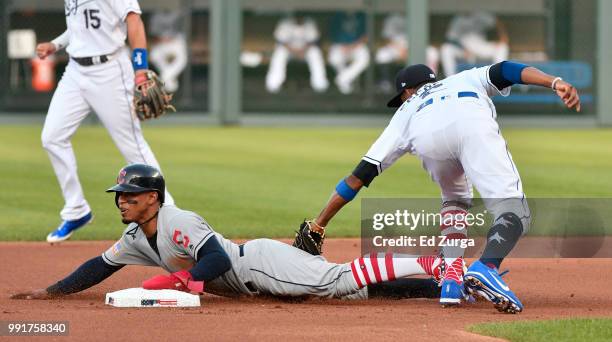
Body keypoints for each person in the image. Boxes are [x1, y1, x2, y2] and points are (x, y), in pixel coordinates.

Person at [293, 62, 580, 313]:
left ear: (407, 92)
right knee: (514, 211)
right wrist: (554, 82)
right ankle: (486, 267)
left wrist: (319, 224)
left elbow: (358, 177)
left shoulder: (404, 112)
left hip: (426, 137)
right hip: (470, 122)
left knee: (455, 198)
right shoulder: (464, 78)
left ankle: (452, 280)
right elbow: (508, 70)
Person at [11, 164, 445, 302]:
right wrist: (52, 294)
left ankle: (436, 263)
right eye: (120, 194)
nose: (122, 200)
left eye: (131, 193)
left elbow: (216, 257)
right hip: (254, 279)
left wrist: (183, 283)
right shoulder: (136, 238)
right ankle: (441, 287)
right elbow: (97, 267)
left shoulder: (176, 220)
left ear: (153, 198)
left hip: (257, 264)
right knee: (358, 293)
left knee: (340, 280)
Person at [36, 0, 174, 243]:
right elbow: (79, 27)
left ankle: (170, 215)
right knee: (52, 137)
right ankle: (76, 210)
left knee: (133, 146)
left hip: (110, 70)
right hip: (76, 72)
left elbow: (134, 20)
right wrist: (56, 44)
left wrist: (140, 69)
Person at [374, 13, 439, 93]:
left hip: (414, 46)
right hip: (395, 47)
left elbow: (420, 37)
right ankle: (385, 82)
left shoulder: (416, 14)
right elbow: (387, 39)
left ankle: (432, 81)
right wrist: (400, 50)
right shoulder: (392, 18)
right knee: (381, 55)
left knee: (433, 52)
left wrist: (411, 50)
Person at [265, 15, 329, 93]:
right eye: (297, 16)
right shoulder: (285, 22)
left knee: (315, 52)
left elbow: (313, 41)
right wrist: (293, 51)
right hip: (289, 50)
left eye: (301, 16)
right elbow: (281, 41)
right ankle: (273, 84)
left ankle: (320, 84)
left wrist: (302, 51)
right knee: (279, 53)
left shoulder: (310, 22)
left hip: (305, 50)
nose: (299, 18)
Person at [440, 11, 509, 76]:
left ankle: (498, 77)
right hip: (463, 50)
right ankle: (450, 79)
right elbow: (451, 39)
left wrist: (503, 37)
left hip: (480, 47)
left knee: (502, 47)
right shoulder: (458, 19)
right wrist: (463, 49)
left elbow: (496, 22)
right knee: (446, 48)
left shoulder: (481, 14)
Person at [327, 11, 370, 94]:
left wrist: (353, 45)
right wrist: (342, 44)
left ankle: (342, 78)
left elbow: (366, 36)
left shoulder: (362, 15)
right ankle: (345, 83)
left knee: (365, 57)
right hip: (340, 45)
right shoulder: (337, 15)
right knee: (334, 58)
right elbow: (332, 35)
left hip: (357, 45)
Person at [148, 9, 188, 93]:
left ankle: (165, 79)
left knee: (182, 59)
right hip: (166, 39)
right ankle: (166, 80)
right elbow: (154, 36)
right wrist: (165, 40)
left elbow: (184, 31)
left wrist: (165, 40)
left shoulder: (179, 11)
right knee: (154, 55)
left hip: (172, 39)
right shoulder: (156, 14)